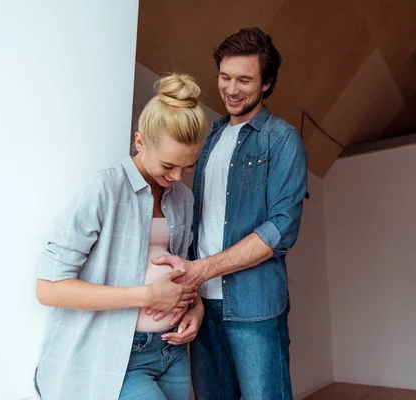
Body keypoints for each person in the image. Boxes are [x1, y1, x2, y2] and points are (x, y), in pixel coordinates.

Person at [151, 28, 308, 399]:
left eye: (244, 80)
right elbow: (194, 220)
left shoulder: (283, 140)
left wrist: (203, 269)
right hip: (202, 307)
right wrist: (191, 291)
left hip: (255, 310)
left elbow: (282, 229)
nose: (231, 89)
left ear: (267, 83)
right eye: (225, 77)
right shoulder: (210, 137)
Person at [33, 74, 206, 400]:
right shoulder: (104, 190)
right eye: (169, 165)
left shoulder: (183, 198)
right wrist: (146, 296)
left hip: (172, 350)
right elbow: (48, 288)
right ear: (139, 142)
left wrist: (195, 310)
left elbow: (181, 272)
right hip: (120, 355)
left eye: (188, 167)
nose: (177, 177)